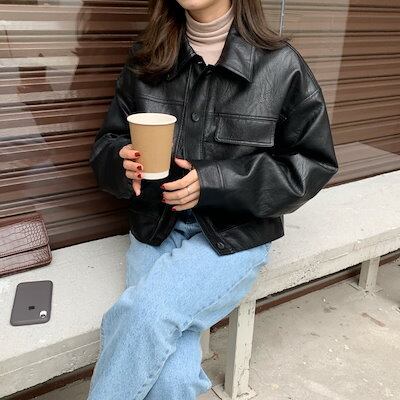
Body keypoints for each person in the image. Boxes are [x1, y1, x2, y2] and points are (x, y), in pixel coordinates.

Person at [87, 0, 339, 399]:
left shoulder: (281, 65)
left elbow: (313, 163)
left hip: (232, 235)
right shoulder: (147, 58)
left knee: (145, 312)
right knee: (172, 377)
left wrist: (215, 181)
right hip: (156, 227)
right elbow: (107, 145)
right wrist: (122, 162)